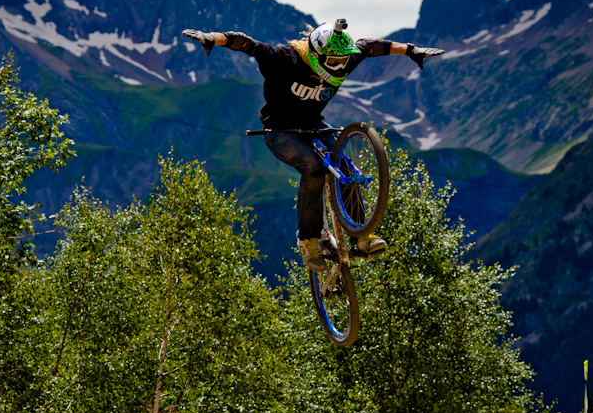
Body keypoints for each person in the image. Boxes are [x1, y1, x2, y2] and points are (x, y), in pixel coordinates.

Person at [182, 21, 444, 272]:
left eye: (343, 61)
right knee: (314, 167)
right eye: (333, 62)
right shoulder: (284, 60)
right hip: (280, 130)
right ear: (317, 55)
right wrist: (211, 38)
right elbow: (246, 43)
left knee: (344, 168)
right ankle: (308, 240)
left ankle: (362, 236)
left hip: (315, 125)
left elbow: (372, 46)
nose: (340, 67)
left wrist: (412, 50)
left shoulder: (341, 59)